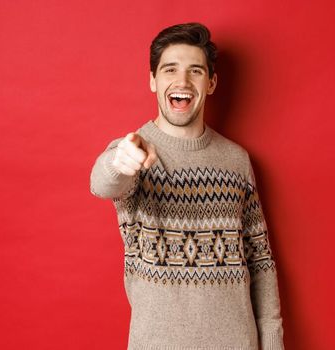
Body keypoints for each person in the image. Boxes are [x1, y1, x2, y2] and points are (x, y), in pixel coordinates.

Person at [90, 22, 284, 350]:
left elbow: (260, 262)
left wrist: (273, 342)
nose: (182, 81)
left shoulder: (237, 161)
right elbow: (103, 182)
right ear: (153, 80)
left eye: (195, 71)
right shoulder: (135, 150)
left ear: (211, 83)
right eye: (170, 70)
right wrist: (119, 161)